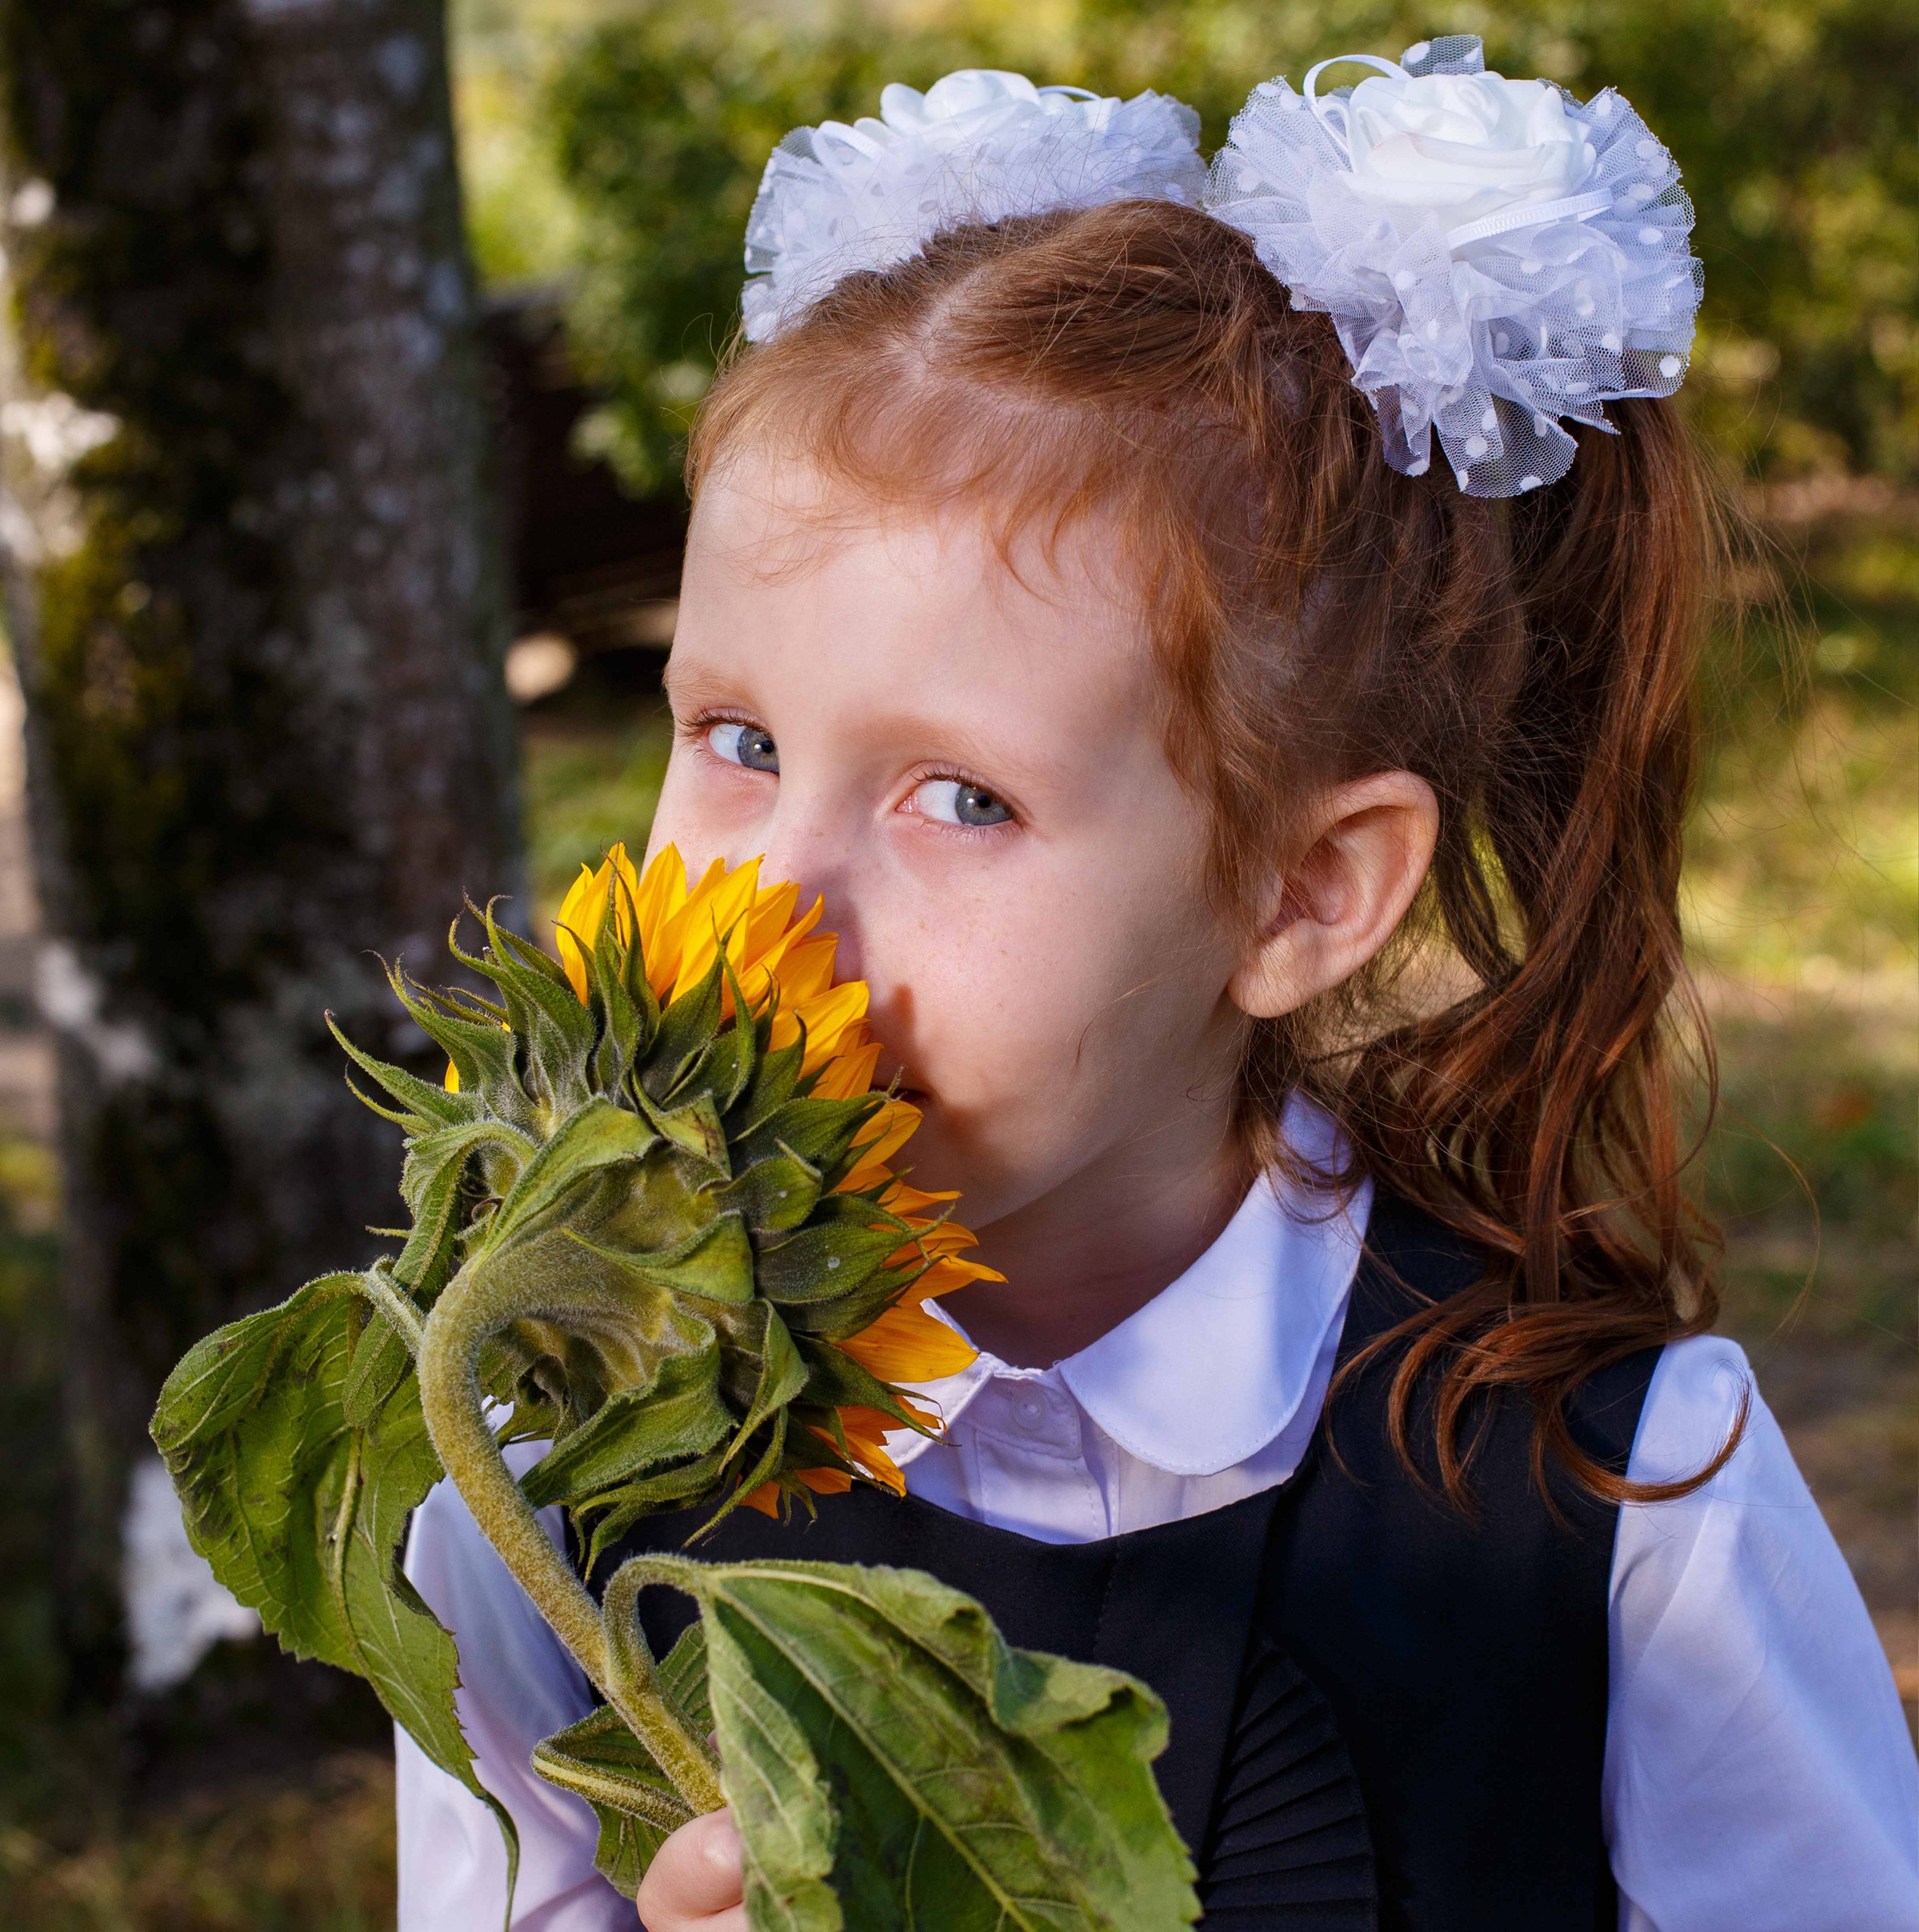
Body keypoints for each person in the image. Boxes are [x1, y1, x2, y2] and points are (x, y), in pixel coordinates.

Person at [398, 39, 1919, 1932]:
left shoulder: (1614, 1502)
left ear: (1300, 890)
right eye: (734, 736)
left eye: (960, 797)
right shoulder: (539, 1488)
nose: (770, 896)